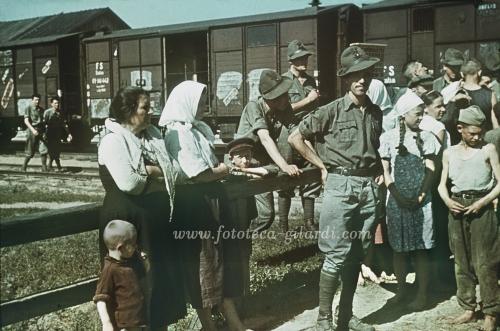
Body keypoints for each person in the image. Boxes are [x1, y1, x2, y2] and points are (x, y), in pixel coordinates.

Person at [288, 45, 383, 331]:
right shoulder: (330, 111)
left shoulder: (375, 112)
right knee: (336, 254)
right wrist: (322, 166)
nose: (361, 80)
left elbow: (374, 149)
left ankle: (345, 317)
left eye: (365, 73)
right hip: (340, 187)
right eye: (355, 75)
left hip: (368, 188)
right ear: (345, 78)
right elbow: (295, 138)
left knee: (357, 253)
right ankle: (323, 321)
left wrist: (378, 171)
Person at [161, 81, 251, 331]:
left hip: (212, 200)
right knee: (205, 264)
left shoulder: (197, 129)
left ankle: (233, 321)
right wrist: (226, 168)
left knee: (222, 260)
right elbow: (198, 173)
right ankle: (208, 325)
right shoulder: (176, 133)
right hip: (195, 205)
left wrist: (220, 171)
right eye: (199, 102)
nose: (204, 107)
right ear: (186, 103)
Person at [98, 86, 186, 329]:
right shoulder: (112, 140)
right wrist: (160, 181)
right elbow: (130, 184)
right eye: (145, 107)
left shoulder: (153, 136)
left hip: (155, 222)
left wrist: (148, 171)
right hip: (127, 224)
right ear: (128, 112)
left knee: (159, 285)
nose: (151, 112)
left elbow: (177, 173)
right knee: (131, 290)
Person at [437, 105, 500, 331]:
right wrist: (447, 201)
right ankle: (468, 307)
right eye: (472, 132)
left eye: (480, 132)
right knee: (460, 260)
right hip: (456, 206)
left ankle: (491, 312)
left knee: (485, 262)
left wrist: (482, 202)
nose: (477, 136)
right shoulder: (449, 153)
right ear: (460, 128)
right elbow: (441, 185)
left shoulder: (488, 149)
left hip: (481, 206)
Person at [379, 92, 440, 310]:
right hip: (397, 202)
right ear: (404, 115)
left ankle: (422, 295)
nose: (422, 117)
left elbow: (431, 170)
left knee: (421, 249)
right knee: (399, 249)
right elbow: (386, 172)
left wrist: (422, 195)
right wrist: (398, 196)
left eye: (423, 113)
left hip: (422, 202)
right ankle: (402, 291)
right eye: (417, 113)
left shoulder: (429, 137)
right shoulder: (388, 138)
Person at [236, 69, 303, 233]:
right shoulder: (254, 107)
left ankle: (240, 238)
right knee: (240, 213)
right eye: (282, 94)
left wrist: (318, 161)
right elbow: (265, 138)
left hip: (261, 164)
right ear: (271, 98)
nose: (287, 98)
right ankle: (236, 241)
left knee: (266, 215)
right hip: (242, 163)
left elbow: (297, 134)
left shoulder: (283, 108)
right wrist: (284, 166)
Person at [279, 39, 322, 232]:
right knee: (286, 176)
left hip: (308, 131)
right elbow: (283, 110)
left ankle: (309, 221)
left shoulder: (311, 81)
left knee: (312, 172)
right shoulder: (283, 81)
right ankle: (283, 224)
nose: (304, 61)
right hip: (288, 131)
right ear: (291, 61)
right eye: (299, 58)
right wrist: (308, 100)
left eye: (305, 57)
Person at [94, 220, 147, 331]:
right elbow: (100, 299)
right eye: (132, 244)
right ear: (121, 248)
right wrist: (106, 323)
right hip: (124, 326)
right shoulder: (110, 270)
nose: (136, 246)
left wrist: (145, 262)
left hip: (139, 321)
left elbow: (145, 272)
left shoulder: (130, 260)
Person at [43, 96, 72, 171]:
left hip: (57, 134)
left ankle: (51, 166)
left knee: (56, 150)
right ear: (51, 104)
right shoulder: (47, 112)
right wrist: (44, 134)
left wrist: (69, 133)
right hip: (50, 134)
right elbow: (44, 124)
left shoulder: (60, 112)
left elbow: (64, 124)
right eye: (55, 103)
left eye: (58, 103)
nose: (57, 105)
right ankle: (57, 167)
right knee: (53, 150)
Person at [22, 93, 48, 172]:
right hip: (31, 131)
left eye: (38, 100)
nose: (37, 101)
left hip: (40, 131)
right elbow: (26, 121)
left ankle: (44, 168)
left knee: (44, 150)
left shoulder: (41, 110)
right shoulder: (28, 108)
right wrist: (33, 130)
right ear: (32, 100)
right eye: (36, 100)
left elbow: (43, 122)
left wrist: (44, 132)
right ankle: (24, 167)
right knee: (30, 151)